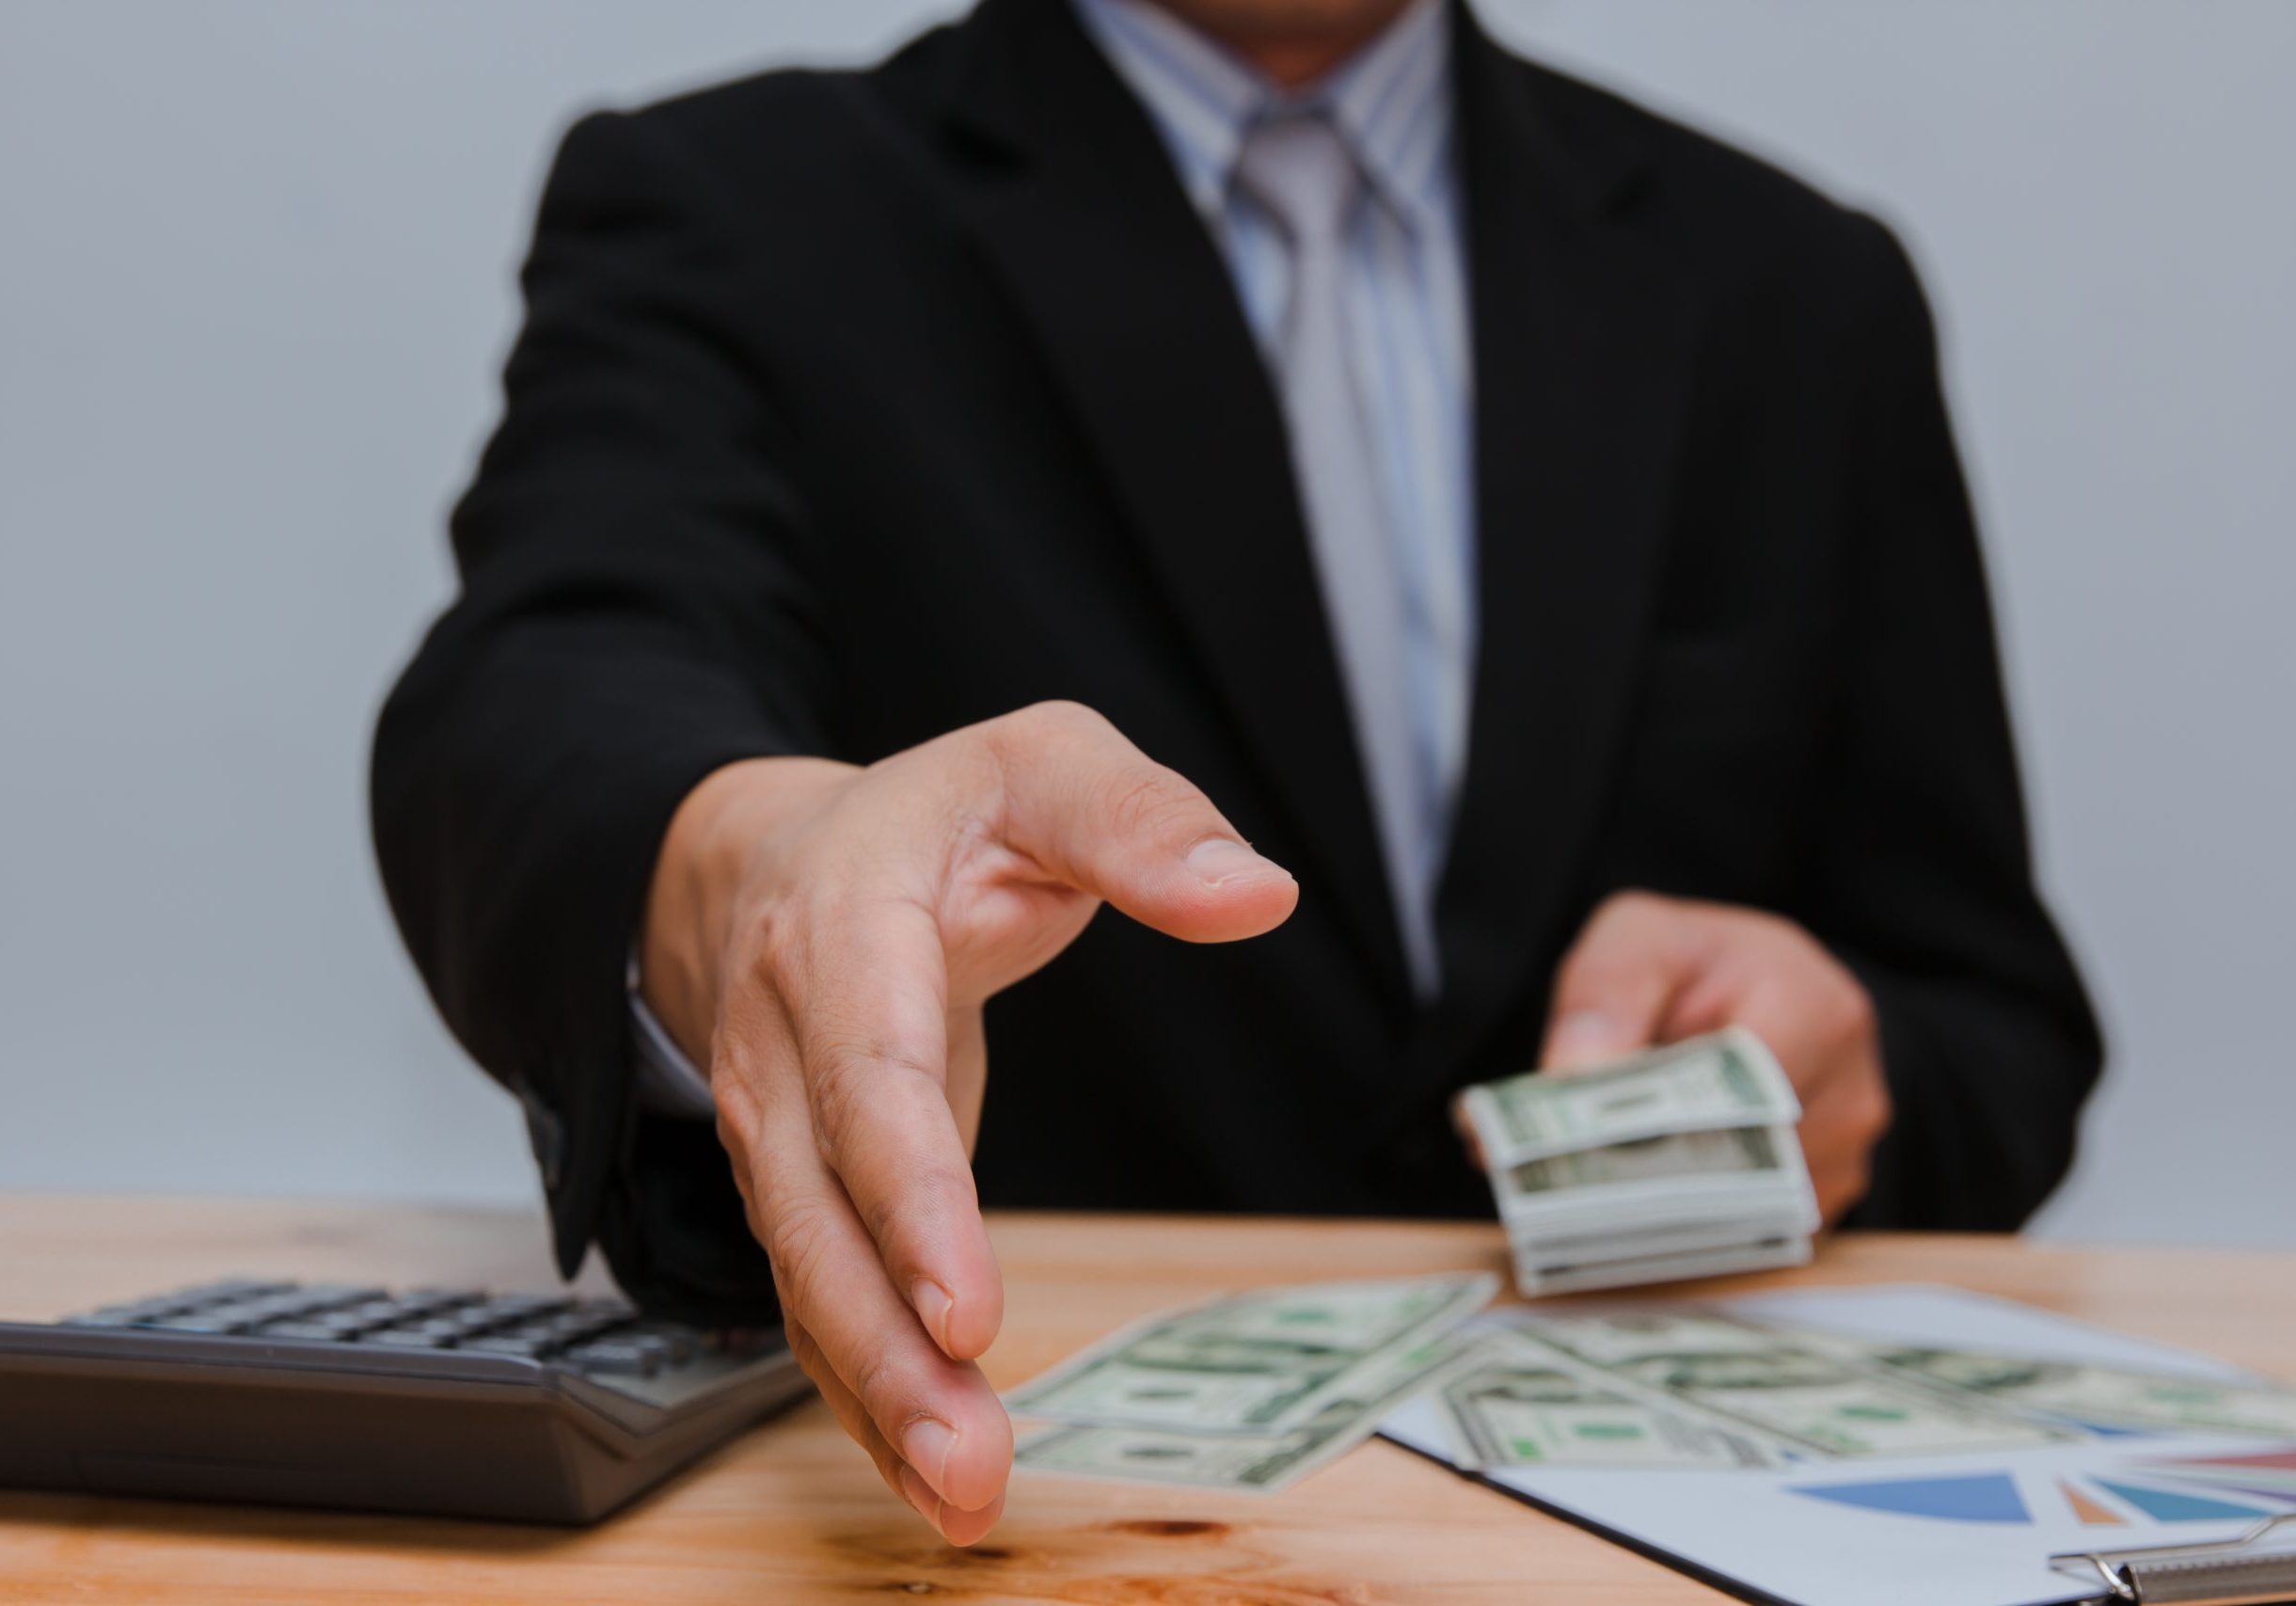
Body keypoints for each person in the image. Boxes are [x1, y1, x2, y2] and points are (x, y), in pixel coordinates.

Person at [372, 0, 2101, 1543]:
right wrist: (761, 859)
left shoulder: (1796, 290)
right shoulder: (736, 208)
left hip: (1653, 1531)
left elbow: (1993, 1027)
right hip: (1033, 1519)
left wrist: (1849, 1072)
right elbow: (547, 689)